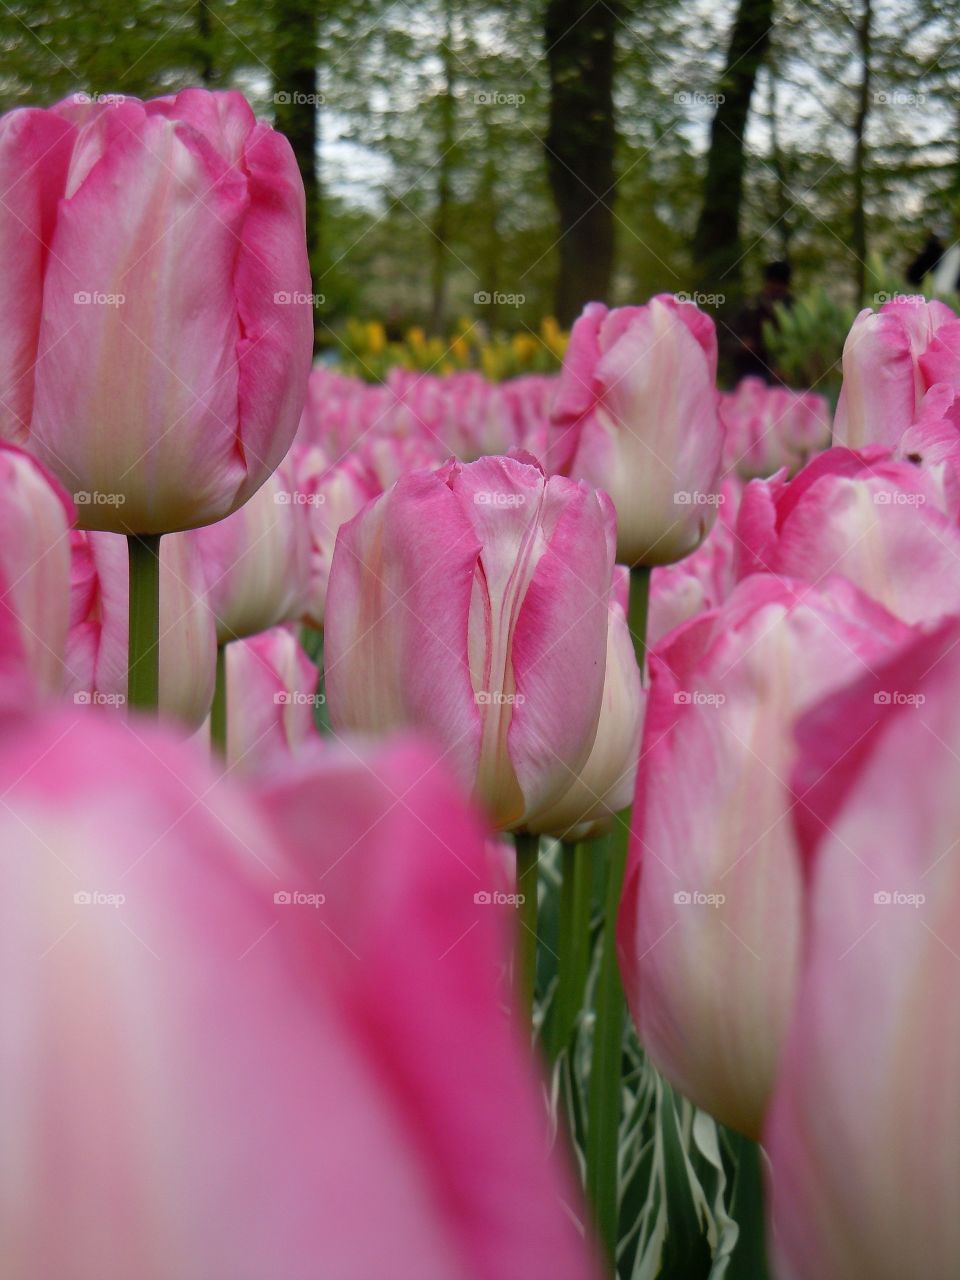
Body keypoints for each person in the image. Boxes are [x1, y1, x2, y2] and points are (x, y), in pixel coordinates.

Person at [729, 260, 794, 384]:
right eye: (773, 283)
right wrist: (740, 344)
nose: (776, 288)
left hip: (786, 377)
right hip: (750, 372)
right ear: (765, 282)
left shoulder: (793, 309)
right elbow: (726, 339)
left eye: (781, 284)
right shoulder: (750, 308)